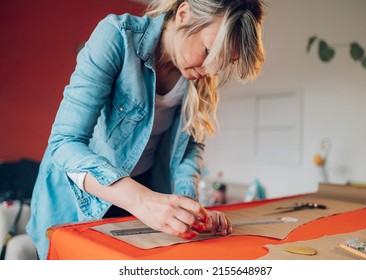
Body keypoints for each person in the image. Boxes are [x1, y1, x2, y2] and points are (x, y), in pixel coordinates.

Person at [26, 0, 266, 259]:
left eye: (223, 61)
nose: (212, 71)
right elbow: (65, 142)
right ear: (184, 14)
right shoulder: (117, 37)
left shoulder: (198, 74)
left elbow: (190, 147)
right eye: (208, 51)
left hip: (144, 196)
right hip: (79, 199)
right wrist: (141, 201)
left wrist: (190, 211)